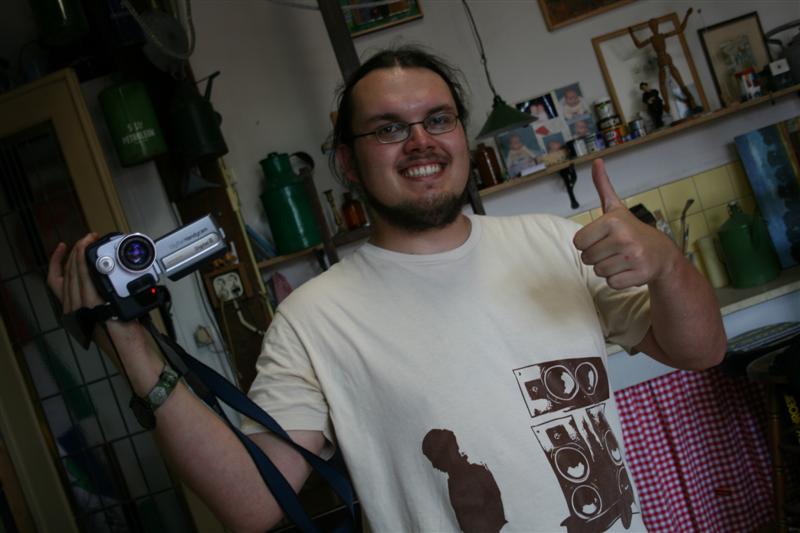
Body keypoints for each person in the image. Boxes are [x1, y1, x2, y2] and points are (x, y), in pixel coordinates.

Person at [48, 46, 726, 532]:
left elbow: (701, 350)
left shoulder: (555, 242)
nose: (420, 142)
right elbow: (252, 504)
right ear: (347, 161)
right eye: (389, 129)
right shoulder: (313, 318)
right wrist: (131, 344)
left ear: (461, 136)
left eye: (439, 119)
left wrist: (667, 265)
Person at [628, 9, 699, 115]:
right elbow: (639, 45)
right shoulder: (652, 39)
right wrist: (631, 34)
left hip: (666, 59)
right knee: (662, 84)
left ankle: (691, 100)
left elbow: (680, 29)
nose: (654, 28)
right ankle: (667, 105)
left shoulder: (662, 35)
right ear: (650, 28)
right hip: (661, 61)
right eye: (652, 26)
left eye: (655, 25)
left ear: (657, 26)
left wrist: (687, 15)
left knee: (679, 82)